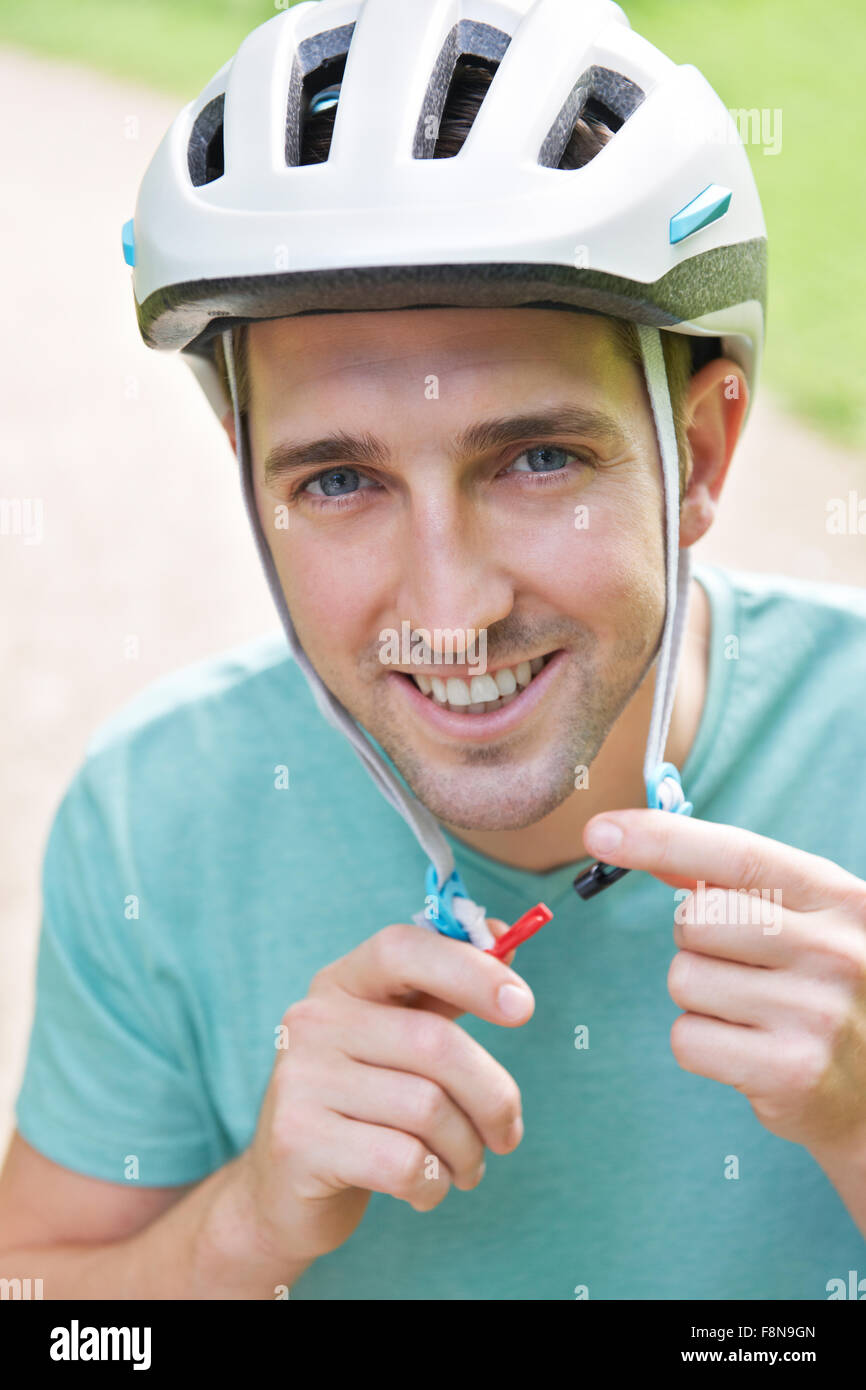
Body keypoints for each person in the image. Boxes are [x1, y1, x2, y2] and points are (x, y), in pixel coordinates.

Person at [2, 0, 865, 1301]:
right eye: (341, 478)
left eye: (534, 458)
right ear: (252, 489)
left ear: (697, 453)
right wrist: (247, 1226)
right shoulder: (156, 814)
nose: (449, 609)